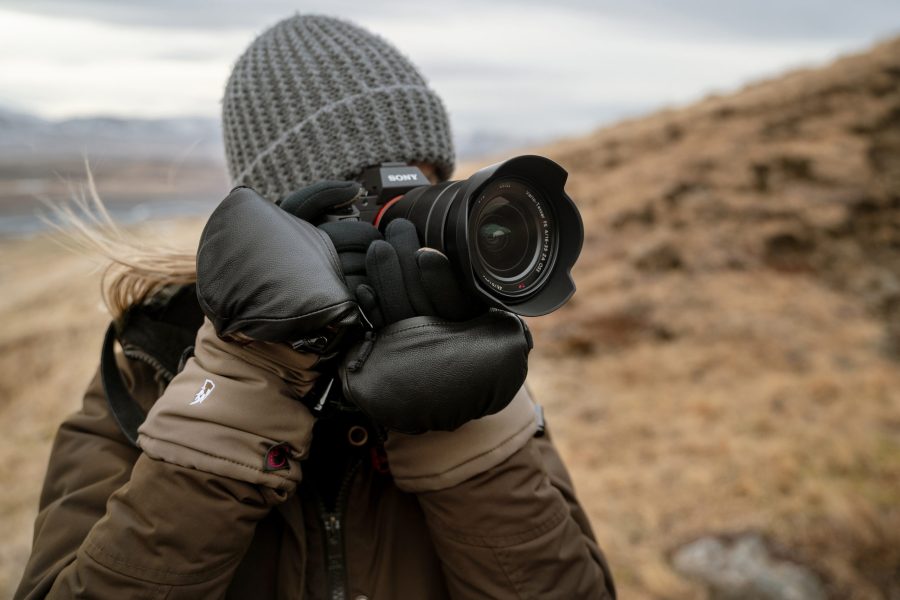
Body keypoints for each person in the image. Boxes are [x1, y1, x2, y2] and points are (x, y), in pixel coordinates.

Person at [15, 14, 616, 600]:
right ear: (278, 229)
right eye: (362, 202)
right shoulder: (150, 368)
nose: (400, 239)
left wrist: (454, 423)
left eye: (421, 194)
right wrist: (251, 375)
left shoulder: (484, 373)